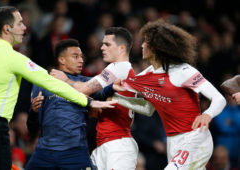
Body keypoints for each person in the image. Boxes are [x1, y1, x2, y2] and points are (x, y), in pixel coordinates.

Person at [0, 6, 115, 170]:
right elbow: (51, 82)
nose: (25, 27)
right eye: (20, 23)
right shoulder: (14, 58)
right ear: (7, 28)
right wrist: (87, 102)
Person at [112, 19, 226, 170]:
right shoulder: (147, 76)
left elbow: (219, 98)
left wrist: (208, 114)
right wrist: (116, 99)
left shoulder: (184, 71)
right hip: (173, 143)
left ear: (156, 47)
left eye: (145, 42)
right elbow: (148, 109)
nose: (141, 45)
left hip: (195, 138)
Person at [50, 27, 138, 170]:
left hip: (117, 146)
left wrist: (65, 80)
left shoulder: (119, 67)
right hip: (106, 143)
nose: (102, 47)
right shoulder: (124, 71)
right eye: (102, 43)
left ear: (122, 48)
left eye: (107, 44)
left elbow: (84, 88)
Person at [26, 39, 115, 170]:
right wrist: (33, 112)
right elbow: (32, 127)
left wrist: (114, 86)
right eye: (75, 56)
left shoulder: (86, 83)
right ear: (61, 60)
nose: (81, 60)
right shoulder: (43, 83)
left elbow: (102, 93)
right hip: (45, 151)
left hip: (75, 151)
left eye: (82, 57)